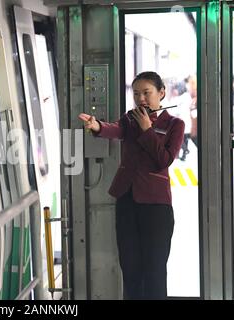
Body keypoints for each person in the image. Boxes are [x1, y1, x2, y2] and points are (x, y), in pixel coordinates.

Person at [78, 71, 185, 300]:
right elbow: (115, 129)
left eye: (146, 93)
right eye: (136, 93)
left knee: (155, 269)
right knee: (131, 267)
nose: (141, 98)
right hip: (127, 199)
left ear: (161, 93)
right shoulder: (130, 118)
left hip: (156, 205)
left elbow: (164, 159)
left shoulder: (174, 124)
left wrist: (147, 129)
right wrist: (97, 126)